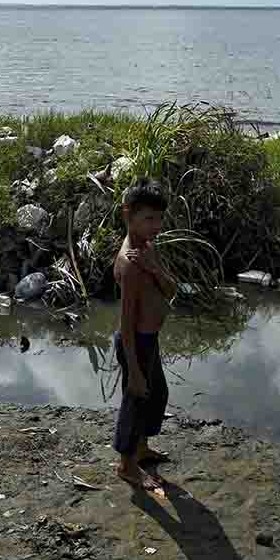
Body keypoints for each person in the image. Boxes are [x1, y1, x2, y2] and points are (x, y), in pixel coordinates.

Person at [113, 178, 176, 492]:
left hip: (150, 340)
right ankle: (126, 466)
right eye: (148, 218)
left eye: (160, 218)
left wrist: (156, 268)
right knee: (135, 399)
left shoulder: (148, 253)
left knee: (158, 395)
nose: (156, 225)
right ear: (128, 216)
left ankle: (140, 449)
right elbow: (125, 322)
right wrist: (134, 369)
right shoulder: (130, 264)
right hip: (135, 343)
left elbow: (171, 290)